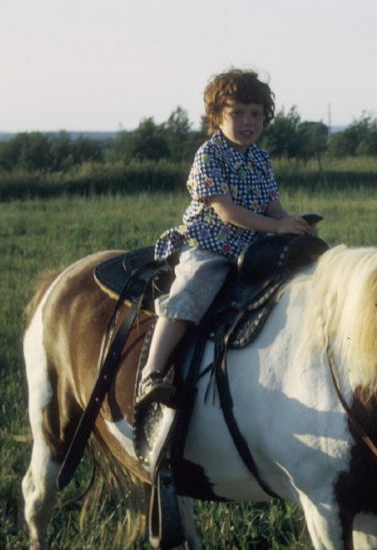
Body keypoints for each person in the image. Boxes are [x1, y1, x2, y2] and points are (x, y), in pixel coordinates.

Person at [137, 68, 315, 407]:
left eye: (256, 114)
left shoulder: (261, 158)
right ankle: (153, 372)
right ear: (217, 116)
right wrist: (275, 227)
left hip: (253, 244)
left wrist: (292, 224)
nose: (248, 122)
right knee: (192, 288)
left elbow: (272, 207)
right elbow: (226, 211)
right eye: (237, 113)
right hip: (210, 243)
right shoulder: (209, 155)